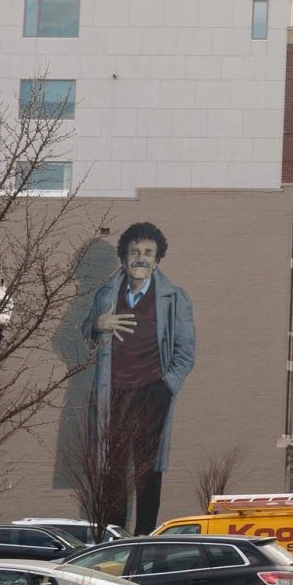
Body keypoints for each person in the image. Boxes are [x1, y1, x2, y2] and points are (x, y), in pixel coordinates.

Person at [88, 221, 196, 534]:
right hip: (113, 392)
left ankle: (144, 538)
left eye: (148, 253)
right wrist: (98, 323)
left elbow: (186, 352)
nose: (140, 258)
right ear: (123, 257)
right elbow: (87, 333)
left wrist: (166, 386)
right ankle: (114, 537)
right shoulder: (106, 294)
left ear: (157, 259)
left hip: (153, 392)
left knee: (148, 470)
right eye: (134, 251)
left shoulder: (175, 299)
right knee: (113, 467)